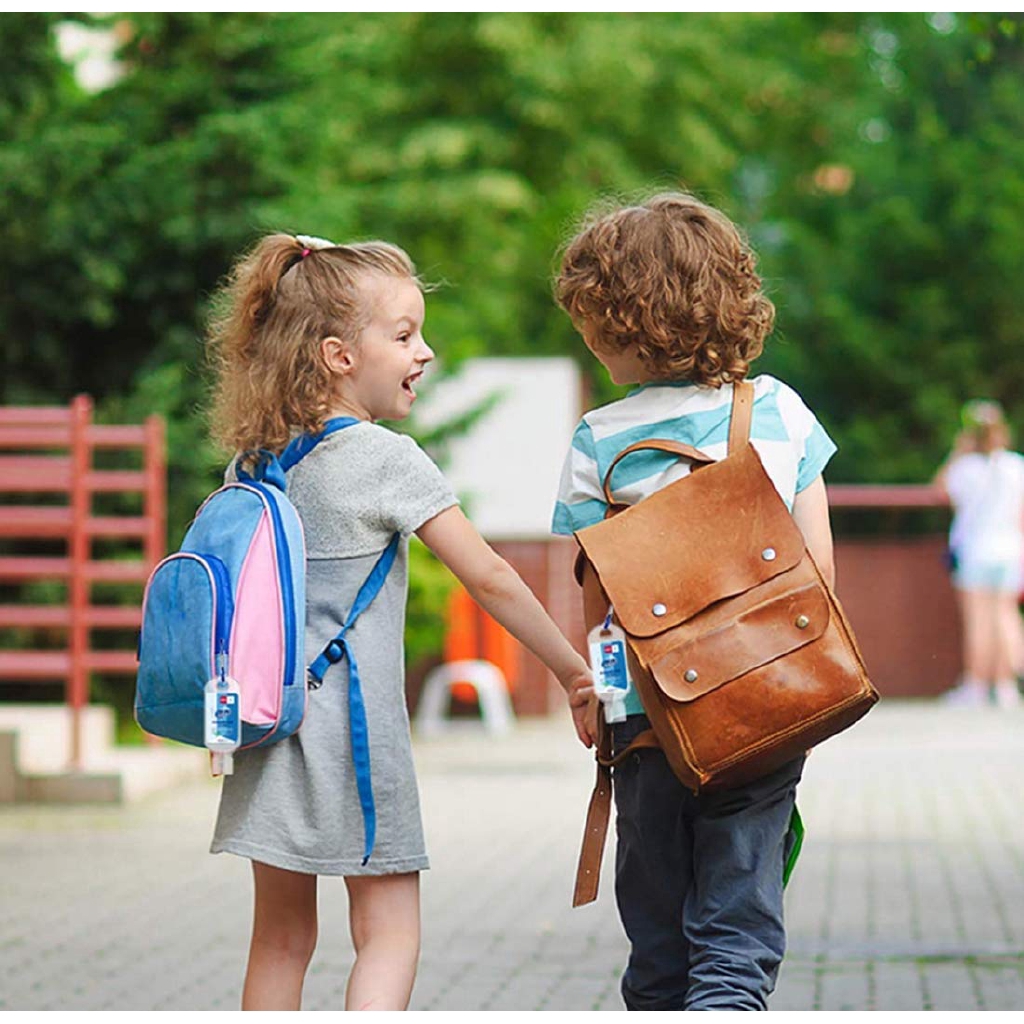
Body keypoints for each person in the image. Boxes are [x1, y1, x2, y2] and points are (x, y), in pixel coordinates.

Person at [204, 233, 594, 1011]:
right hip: (353, 739)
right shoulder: (386, 459)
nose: (426, 352)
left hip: (263, 729)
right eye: (405, 334)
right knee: (390, 932)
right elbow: (488, 575)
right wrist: (572, 670)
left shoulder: (252, 464)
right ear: (338, 355)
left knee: (280, 939)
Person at [551, 192, 837, 1010]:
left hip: (652, 720)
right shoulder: (777, 412)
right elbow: (819, 568)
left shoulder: (599, 440)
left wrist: (598, 696)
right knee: (739, 914)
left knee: (657, 921)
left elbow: (600, 600)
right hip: (766, 704)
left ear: (622, 322)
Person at [933, 399, 1024, 709]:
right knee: (1005, 615)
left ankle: (976, 685)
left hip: (975, 549)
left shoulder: (964, 469)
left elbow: (940, 488)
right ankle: (1006, 685)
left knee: (979, 620)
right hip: (1010, 548)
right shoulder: (1015, 465)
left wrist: (958, 450)